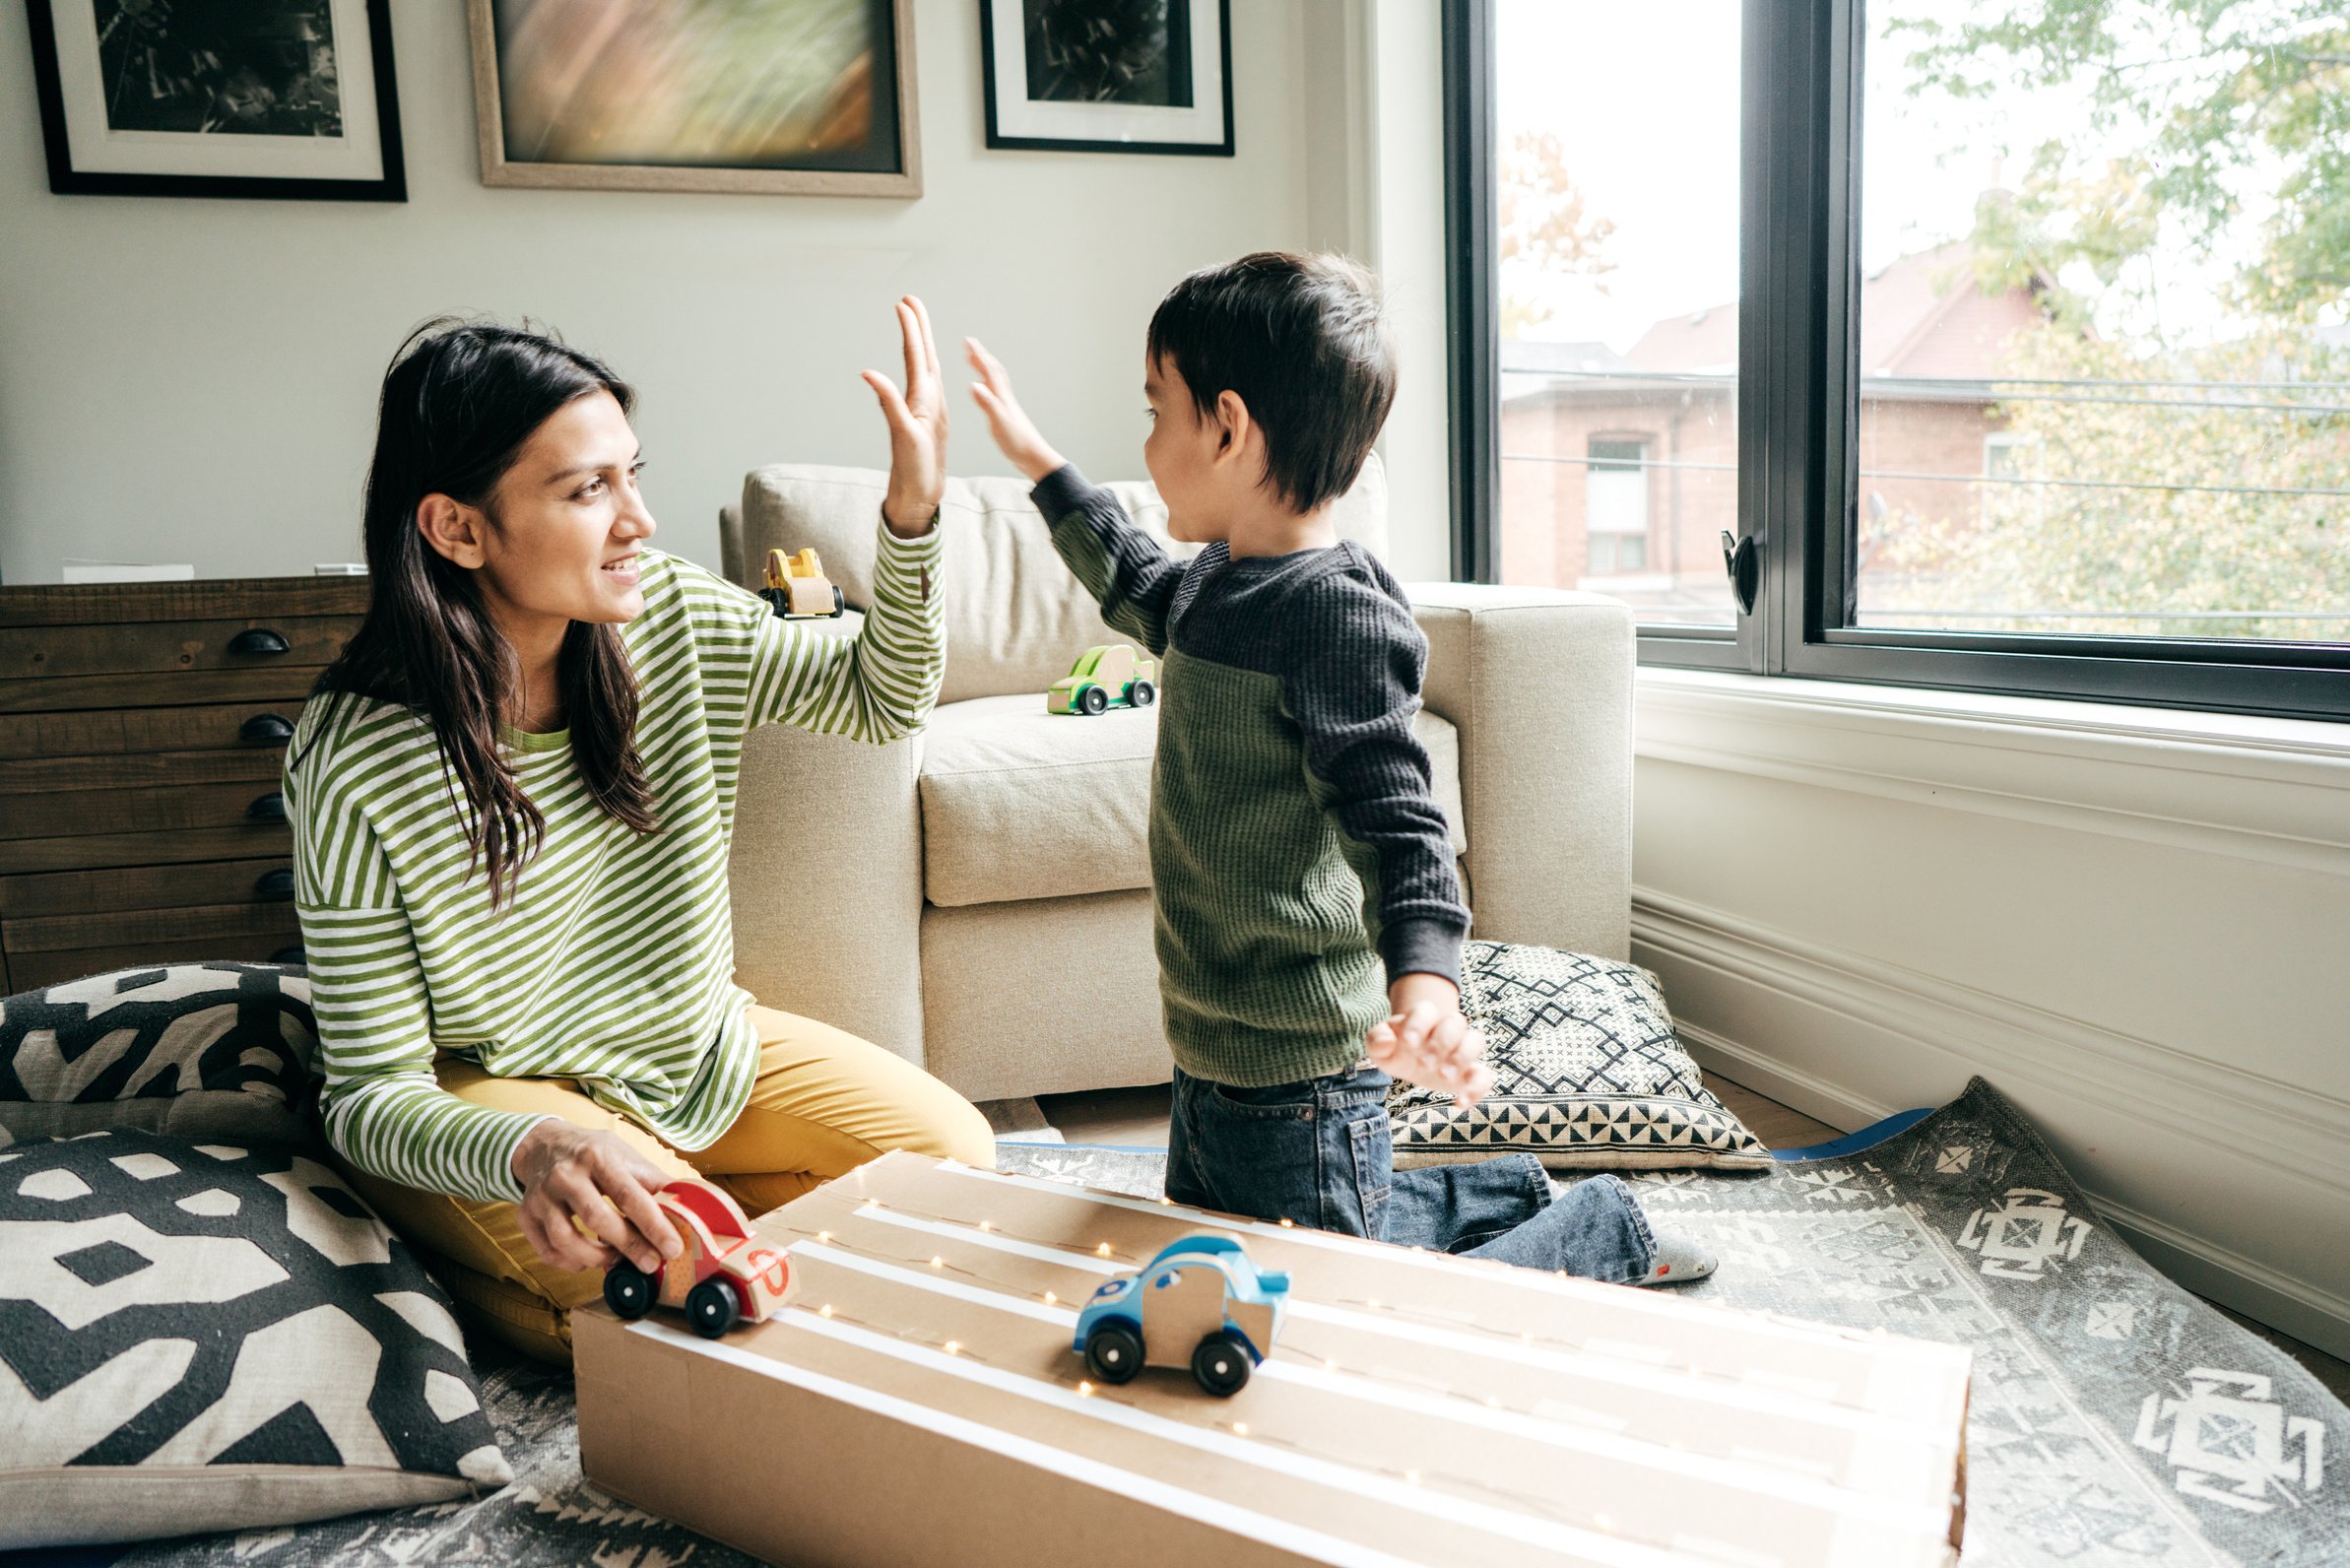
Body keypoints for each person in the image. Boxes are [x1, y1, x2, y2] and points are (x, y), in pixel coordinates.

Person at [964, 252, 1713, 1284]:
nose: (1144, 442)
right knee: (1229, 1263)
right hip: (1210, 1053)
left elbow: (1398, 820)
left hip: (1301, 1071)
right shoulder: (1216, 581)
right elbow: (1129, 573)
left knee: (1326, 1311)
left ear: (1225, 426)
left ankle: (1601, 1231)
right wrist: (1039, 463)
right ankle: (1491, 1189)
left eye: (1155, 410)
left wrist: (1427, 989)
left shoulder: (1335, 615)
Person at [287, 300, 993, 1363]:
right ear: (457, 528)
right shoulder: (353, 753)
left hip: (689, 1050)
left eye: (631, 473)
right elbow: (370, 1090)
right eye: (588, 488)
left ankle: (644, 1223)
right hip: (486, 1103)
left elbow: (879, 697)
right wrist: (531, 1145)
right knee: (685, 1301)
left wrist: (912, 514)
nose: (639, 520)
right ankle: (469, 1266)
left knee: (952, 1160)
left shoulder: (662, 609)